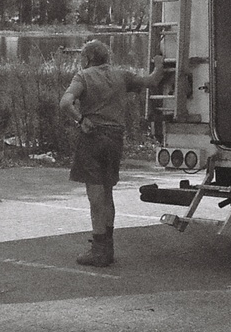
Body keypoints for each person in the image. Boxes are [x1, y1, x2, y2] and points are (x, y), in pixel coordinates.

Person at [60, 40, 167, 267]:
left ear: (87, 58)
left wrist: (81, 119)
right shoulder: (122, 76)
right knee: (107, 193)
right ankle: (108, 247)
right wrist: (159, 63)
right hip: (114, 139)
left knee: (95, 196)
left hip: (93, 137)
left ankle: (99, 249)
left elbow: (65, 102)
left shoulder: (83, 76)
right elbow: (151, 80)